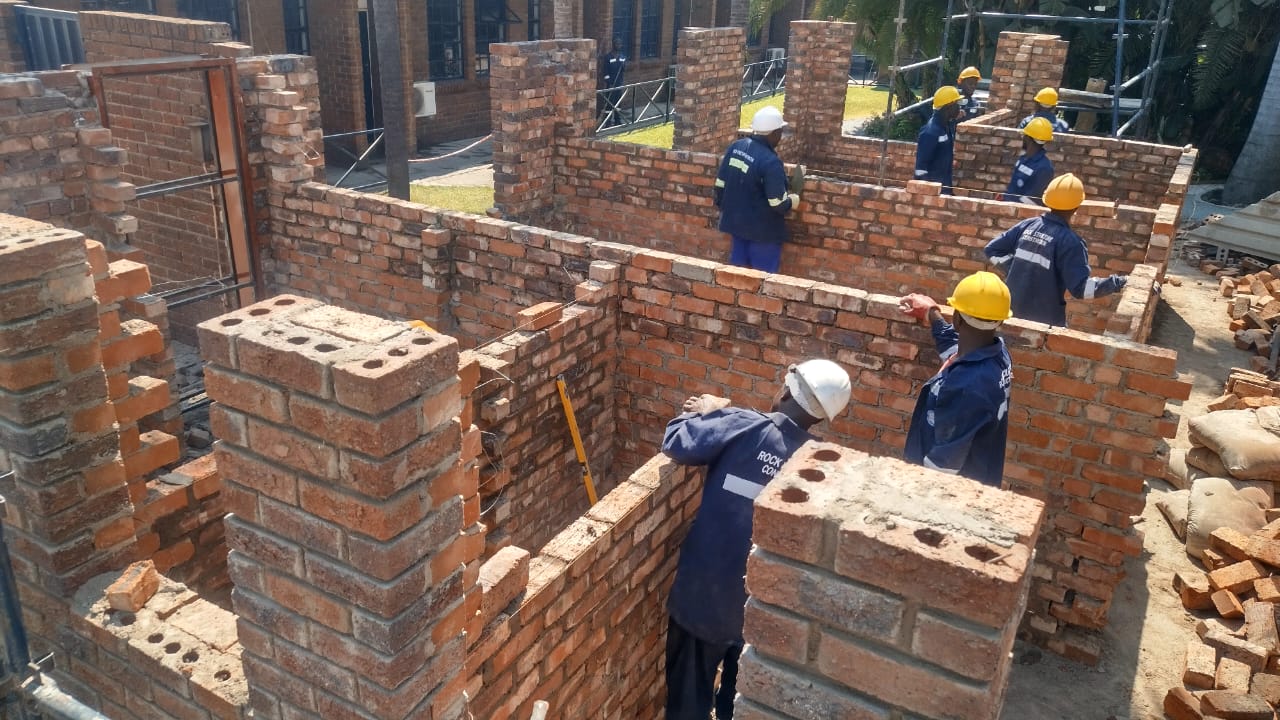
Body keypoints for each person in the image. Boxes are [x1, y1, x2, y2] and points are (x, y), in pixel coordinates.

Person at [662, 360, 852, 720]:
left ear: (785, 391)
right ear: (825, 416)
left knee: (687, 703)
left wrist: (702, 414)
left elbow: (675, 443)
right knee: (742, 704)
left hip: (704, 598)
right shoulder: (821, 465)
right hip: (765, 610)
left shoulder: (743, 425)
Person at [899, 272, 1013, 487]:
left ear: (958, 319)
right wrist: (931, 313)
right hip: (981, 473)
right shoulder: (998, 354)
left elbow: (943, 466)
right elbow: (957, 347)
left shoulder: (967, 386)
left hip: (954, 492)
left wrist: (911, 490)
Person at [983, 173, 1128, 326]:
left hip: (1009, 315)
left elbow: (992, 249)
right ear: (1077, 207)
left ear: (1047, 201)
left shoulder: (1028, 225)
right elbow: (1081, 289)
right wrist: (1119, 282)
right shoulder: (1071, 243)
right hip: (1043, 325)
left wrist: (1016, 269)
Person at [713, 106, 799, 273]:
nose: (781, 136)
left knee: (737, 278)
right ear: (774, 133)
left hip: (737, 227)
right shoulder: (770, 162)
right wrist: (793, 201)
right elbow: (778, 204)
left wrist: (727, 209)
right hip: (763, 234)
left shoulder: (736, 147)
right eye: (780, 131)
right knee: (763, 283)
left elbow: (720, 186)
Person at [915, 86, 963, 194]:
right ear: (948, 107)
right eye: (957, 104)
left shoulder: (945, 127)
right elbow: (920, 170)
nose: (959, 108)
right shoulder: (931, 131)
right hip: (933, 195)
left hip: (944, 189)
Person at [1001, 117, 1054, 205]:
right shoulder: (1024, 158)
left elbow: (1032, 200)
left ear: (1028, 138)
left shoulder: (1044, 168)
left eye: (1024, 135)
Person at [599, 37, 628, 128]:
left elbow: (624, 70)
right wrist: (608, 81)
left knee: (618, 103)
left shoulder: (622, 57)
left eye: (620, 44)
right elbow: (605, 72)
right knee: (609, 103)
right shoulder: (608, 57)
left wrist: (624, 66)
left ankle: (617, 120)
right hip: (610, 85)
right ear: (613, 45)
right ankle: (607, 122)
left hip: (619, 84)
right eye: (616, 44)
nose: (618, 45)